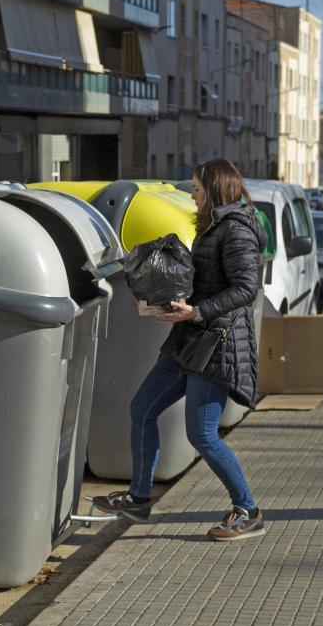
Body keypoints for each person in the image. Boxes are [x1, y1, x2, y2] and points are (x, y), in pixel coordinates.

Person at [94, 158, 267, 541]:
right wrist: (159, 299)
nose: (193, 194)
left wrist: (198, 310)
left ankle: (248, 509)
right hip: (189, 338)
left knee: (202, 435)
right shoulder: (213, 226)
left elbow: (245, 289)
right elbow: (205, 280)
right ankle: (139, 498)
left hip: (215, 344)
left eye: (198, 189)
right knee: (143, 408)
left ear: (218, 189)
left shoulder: (236, 231)